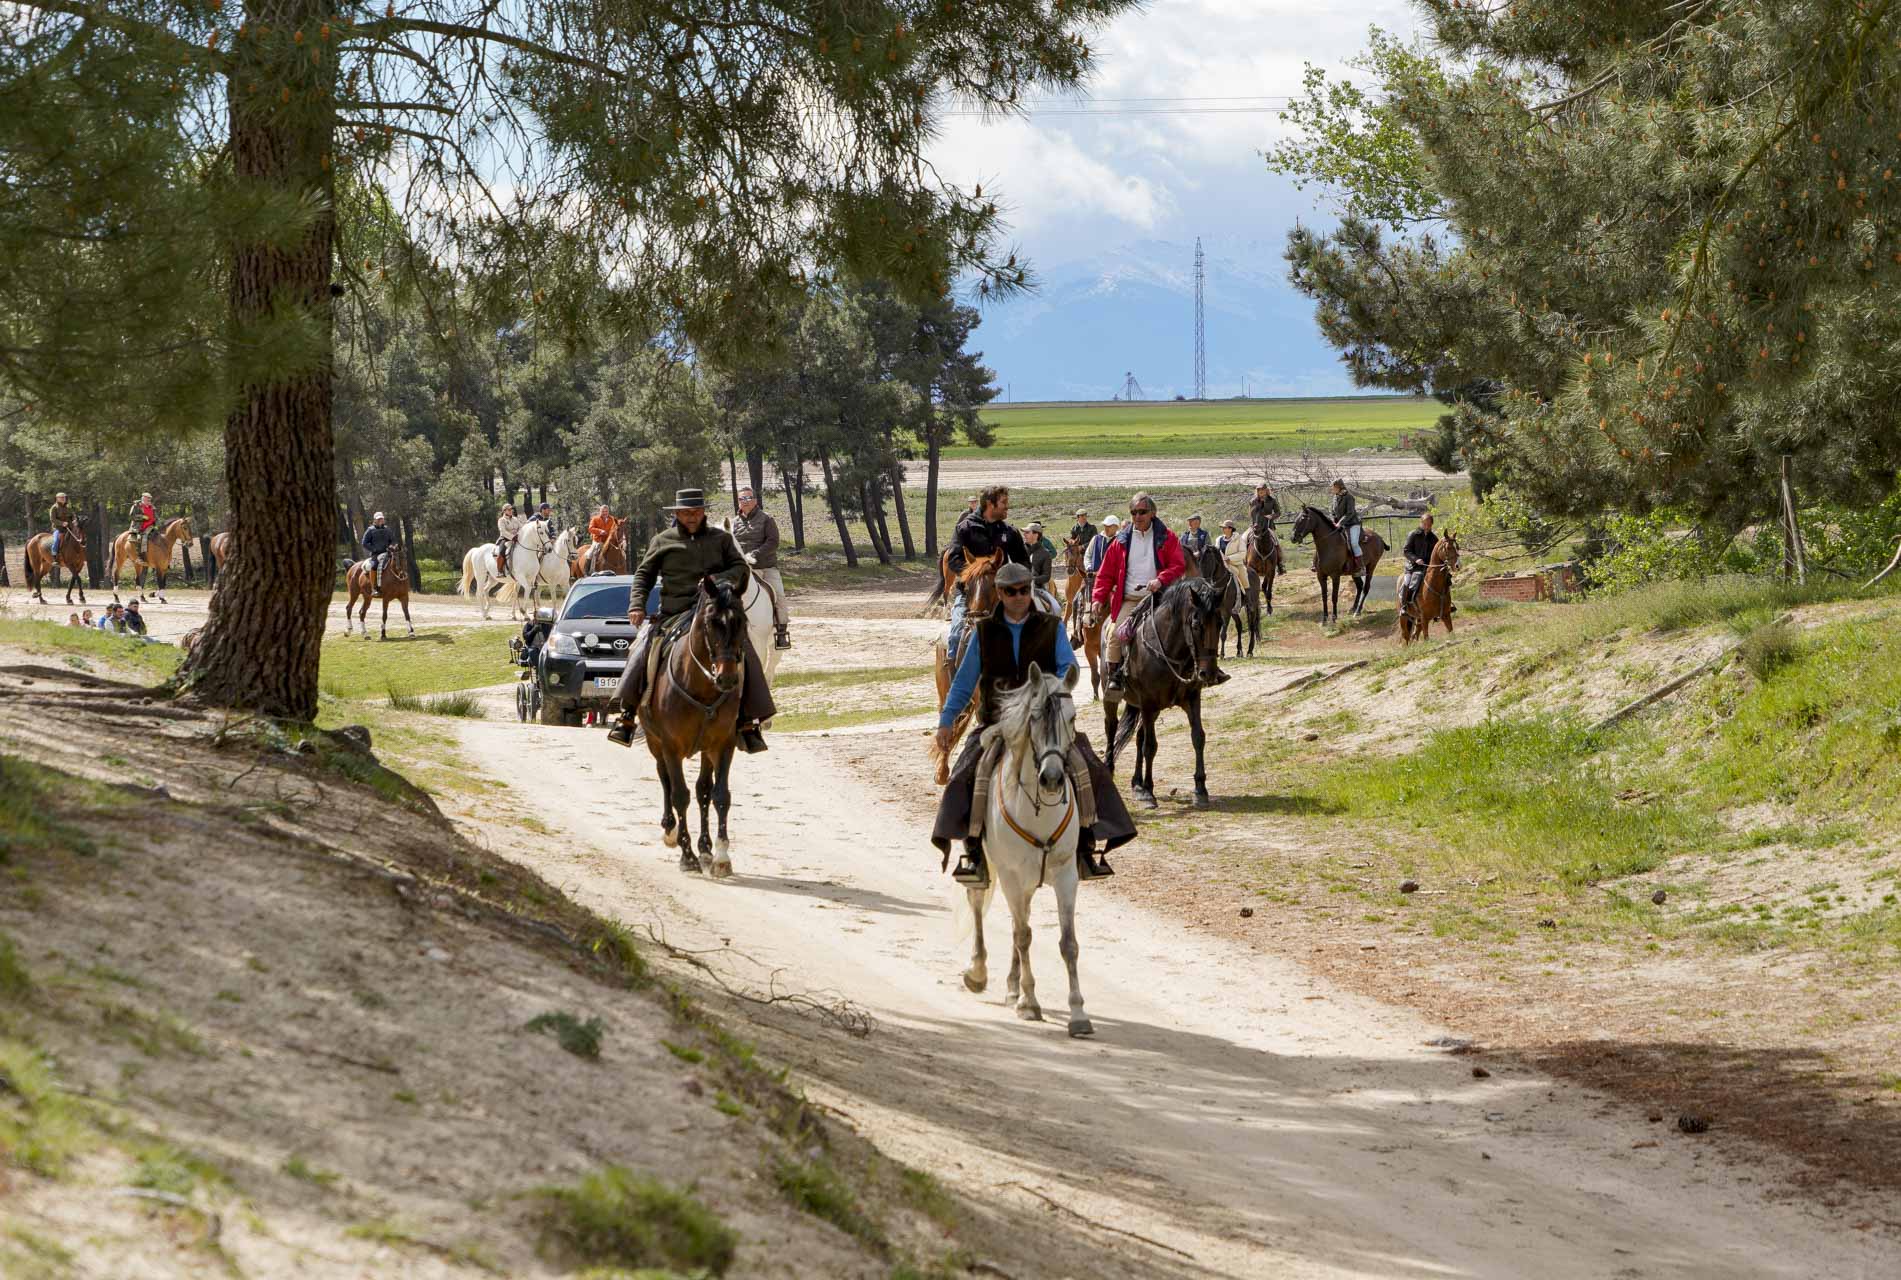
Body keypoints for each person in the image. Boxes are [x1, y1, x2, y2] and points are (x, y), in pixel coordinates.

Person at [931, 563, 1130, 885]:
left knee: (1087, 766)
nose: (1019, 596)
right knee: (968, 773)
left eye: (1024, 589)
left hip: (1045, 720)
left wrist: (1062, 683)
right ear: (999, 594)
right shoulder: (983, 634)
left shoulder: (1051, 628)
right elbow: (964, 683)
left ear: (1031, 590)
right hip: (998, 722)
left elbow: (1067, 664)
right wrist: (945, 722)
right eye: (1011, 591)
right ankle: (974, 855)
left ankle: (1085, 847)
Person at [606, 488, 776, 754]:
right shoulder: (663, 541)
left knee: (744, 649)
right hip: (674, 612)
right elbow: (644, 575)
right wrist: (636, 604)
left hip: (713, 611)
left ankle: (748, 721)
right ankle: (627, 715)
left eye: (696, 512)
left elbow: (741, 568)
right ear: (677, 514)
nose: (692, 517)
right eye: (686, 512)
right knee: (641, 646)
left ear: (703, 512)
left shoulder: (721, 539)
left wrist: (718, 581)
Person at [1090, 492, 1186, 693]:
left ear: (1153, 513)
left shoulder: (1167, 537)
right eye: (1133, 512)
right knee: (1114, 633)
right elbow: (1105, 573)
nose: (1137, 516)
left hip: (1161, 598)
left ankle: (1198, 671)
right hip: (1130, 600)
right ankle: (1115, 678)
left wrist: (1161, 579)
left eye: (1142, 512)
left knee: (1188, 626)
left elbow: (1178, 565)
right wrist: (1098, 597)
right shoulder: (1120, 541)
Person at [946, 485, 1030, 666]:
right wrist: (976, 573)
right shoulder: (965, 528)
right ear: (990, 504)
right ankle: (956, 685)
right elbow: (953, 558)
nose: (1007, 507)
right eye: (1004, 503)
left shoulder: (1010, 532)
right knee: (955, 636)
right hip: (969, 594)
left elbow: (1024, 563)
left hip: (1003, 594)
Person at [725, 485, 790, 650]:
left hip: (766, 567)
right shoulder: (733, 523)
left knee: (780, 597)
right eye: (741, 499)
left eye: (747, 498)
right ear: (738, 502)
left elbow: (773, 542)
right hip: (742, 569)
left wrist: (755, 554)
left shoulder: (767, 519)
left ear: (755, 500)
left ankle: (781, 632)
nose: (744, 501)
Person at [1399, 512, 1438, 613]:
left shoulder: (1434, 538)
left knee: (1443, 580)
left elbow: (1436, 553)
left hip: (1427, 567)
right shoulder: (1413, 534)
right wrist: (1416, 559)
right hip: (1412, 567)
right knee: (1407, 583)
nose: (1426, 526)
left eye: (1429, 524)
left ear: (1431, 524)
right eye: (1424, 524)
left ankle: (1443, 605)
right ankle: (1404, 606)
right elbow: (1406, 551)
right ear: (1421, 523)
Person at [1329, 479, 1364, 574]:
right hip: (1341, 524)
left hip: (1353, 524)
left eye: (1333, 487)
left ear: (1338, 487)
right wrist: (1333, 521)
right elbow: (1332, 512)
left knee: (1353, 543)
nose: (1332, 489)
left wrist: (1340, 523)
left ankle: (1361, 568)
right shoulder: (1335, 497)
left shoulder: (1349, 497)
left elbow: (1350, 513)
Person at [361, 512, 399, 596]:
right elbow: (364, 543)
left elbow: (393, 540)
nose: (380, 520)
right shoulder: (370, 530)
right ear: (375, 520)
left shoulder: (387, 529)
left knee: (397, 564)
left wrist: (392, 546)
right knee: (374, 566)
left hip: (387, 553)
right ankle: (373, 588)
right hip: (376, 554)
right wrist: (374, 549)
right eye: (378, 519)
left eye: (381, 519)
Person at [1023, 522, 1057, 610]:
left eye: (1027, 532)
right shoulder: (1020, 551)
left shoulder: (1045, 554)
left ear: (1036, 535)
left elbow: (1046, 576)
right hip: (1019, 587)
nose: (1024, 534)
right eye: (1024, 532)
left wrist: (1032, 580)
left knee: (1056, 610)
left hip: (1037, 589)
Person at [496, 503, 524, 575]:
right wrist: (512, 537)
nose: (511, 511)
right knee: (502, 551)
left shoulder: (515, 519)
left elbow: (521, 527)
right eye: (509, 509)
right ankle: (500, 570)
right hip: (505, 539)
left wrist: (518, 535)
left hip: (517, 538)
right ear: (504, 511)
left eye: (511, 509)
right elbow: (503, 531)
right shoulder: (501, 520)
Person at [127, 492, 158, 556]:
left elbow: (156, 517)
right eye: (148, 498)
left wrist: (157, 524)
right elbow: (132, 516)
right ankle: (141, 556)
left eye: (150, 498)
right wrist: (142, 517)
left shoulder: (152, 507)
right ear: (143, 499)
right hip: (140, 526)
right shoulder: (136, 506)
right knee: (144, 536)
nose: (149, 500)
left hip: (151, 526)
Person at [49, 492, 78, 559]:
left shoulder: (68, 507)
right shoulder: (54, 508)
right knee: (56, 540)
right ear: (57, 499)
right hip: (58, 528)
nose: (63, 499)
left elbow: (73, 515)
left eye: (64, 497)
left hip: (70, 527)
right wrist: (62, 523)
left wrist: (74, 520)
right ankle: (54, 556)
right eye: (61, 497)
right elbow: (53, 519)